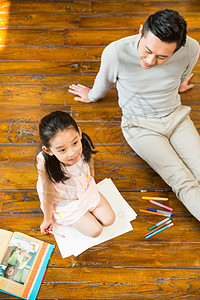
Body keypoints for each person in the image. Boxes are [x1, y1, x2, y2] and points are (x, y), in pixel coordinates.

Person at [68, 9, 200, 221]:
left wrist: (177, 84)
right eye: (147, 50)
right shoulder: (116, 52)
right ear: (141, 31)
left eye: (162, 57)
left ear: (177, 50)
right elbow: (104, 84)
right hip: (141, 127)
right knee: (182, 180)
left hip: (176, 117)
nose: (149, 60)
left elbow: (182, 73)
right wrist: (92, 95)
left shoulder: (192, 48)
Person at [36, 111, 115, 237]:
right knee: (95, 231)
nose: (72, 153)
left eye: (74, 143)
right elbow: (48, 196)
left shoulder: (80, 142)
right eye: (62, 150)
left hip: (84, 189)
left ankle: (88, 203)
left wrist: (90, 178)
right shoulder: (45, 166)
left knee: (110, 219)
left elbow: (89, 159)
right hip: (67, 201)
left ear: (79, 133)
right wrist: (47, 219)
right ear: (48, 150)